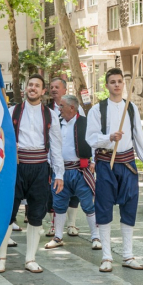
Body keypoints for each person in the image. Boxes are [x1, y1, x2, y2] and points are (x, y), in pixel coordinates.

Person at [0, 74, 64, 274]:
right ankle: (1, 256)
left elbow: (56, 148)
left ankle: (30, 259)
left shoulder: (50, 115)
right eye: (30, 85)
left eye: (37, 86)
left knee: (36, 215)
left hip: (40, 168)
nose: (32, 88)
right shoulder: (11, 111)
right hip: (15, 168)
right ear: (25, 89)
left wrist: (59, 174)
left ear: (43, 91)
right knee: (8, 212)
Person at [86, 68, 143, 273]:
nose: (116, 85)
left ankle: (127, 255)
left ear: (124, 84)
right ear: (106, 86)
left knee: (129, 208)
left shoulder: (131, 108)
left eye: (119, 81)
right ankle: (107, 257)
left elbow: (138, 135)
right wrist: (109, 138)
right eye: (112, 82)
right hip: (106, 163)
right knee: (104, 208)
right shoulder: (97, 110)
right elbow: (90, 137)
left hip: (127, 164)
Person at [45, 95, 101, 251]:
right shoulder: (56, 123)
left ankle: (95, 236)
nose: (59, 109)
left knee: (88, 204)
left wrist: (94, 161)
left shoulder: (85, 122)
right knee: (59, 204)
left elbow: (95, 142)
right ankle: (58, 237)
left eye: (62, 106)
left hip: (80, 170)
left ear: (72, 107)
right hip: (60, 172)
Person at [46, 77, 85, 237]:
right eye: (51, 87)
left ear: (64, 90)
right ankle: (54, 225)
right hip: (53, 158)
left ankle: (71, 224)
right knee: (52, 192)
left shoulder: (76, 107)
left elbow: (83, 129)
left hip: (74, 161)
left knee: (74, 194)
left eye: (57, 87)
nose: (54, 89)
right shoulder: (47, 109)